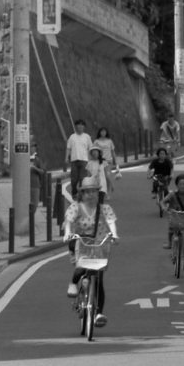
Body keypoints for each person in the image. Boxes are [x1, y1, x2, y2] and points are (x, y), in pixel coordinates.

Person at [62, 177, 119, 328]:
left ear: (97, 192)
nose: (90, 194)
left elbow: (111, 221)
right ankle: (73, 283)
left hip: (99, 244)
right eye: (87, 191)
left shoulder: (104, 208)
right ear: (82, 193)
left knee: (98, 279)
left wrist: (114, 234)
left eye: (93, 191)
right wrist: (68, 233)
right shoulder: (76, 207)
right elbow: (69, 221)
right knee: (81, 267)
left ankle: (99, 313)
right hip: (80, 242)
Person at [65, 119, 93, 198]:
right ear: (76, 126)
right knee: (74, 179)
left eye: (82, 125)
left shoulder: (87, 137)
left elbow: (91, 148)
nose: (80, 126)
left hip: (84, 160)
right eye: (78, 124)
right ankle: (74, 192)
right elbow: (68, 148)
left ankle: (80, 194)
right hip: (74, 160)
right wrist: (66, 158)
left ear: (84, 127)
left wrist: (91, 160)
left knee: (82, 179)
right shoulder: (72, 137)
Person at [92, 127, 118, 194]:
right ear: (99, 132)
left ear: (106, 133)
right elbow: (93, 151)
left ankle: (106, 192)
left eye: (104, 131)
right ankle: (100, 191)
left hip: (108, 161)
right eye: (102, 131)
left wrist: (116, 160)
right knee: (99, 177)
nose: (103, 133)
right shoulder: (96, 141)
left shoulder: (109, 141)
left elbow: (113, 151)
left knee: (107, 177)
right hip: (99, 161)